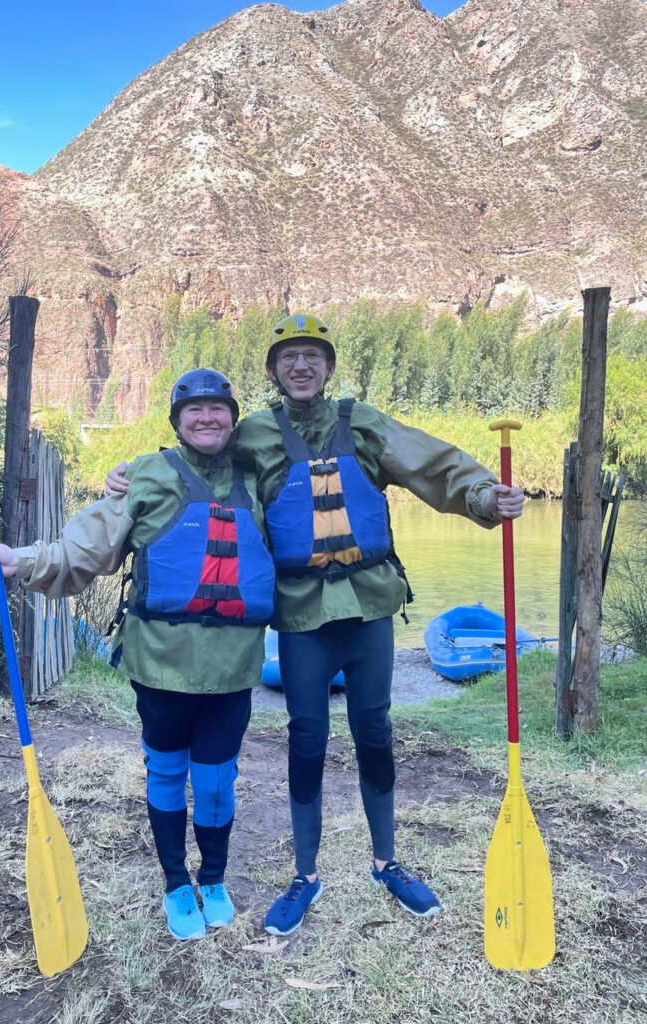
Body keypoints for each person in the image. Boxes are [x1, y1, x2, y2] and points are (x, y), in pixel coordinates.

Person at [105, 313, 525, 936]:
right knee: (306, 738)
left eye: (312, 356)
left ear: (328, 366)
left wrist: (486, 498)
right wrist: (126, 474)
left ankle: (387, 862)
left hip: (371, 609)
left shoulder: (365, 424)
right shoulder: (253, 434)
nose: (300, 367)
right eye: (288, 358)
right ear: (273, 372)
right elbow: (194, 450)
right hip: (301, 615)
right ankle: (305, 875)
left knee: (375, 732)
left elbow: (435, 466)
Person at [0, 369, 275, 942]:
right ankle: (174, 882)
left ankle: (212, 878)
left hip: (233, 664)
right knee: (167, 771)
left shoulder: (259, 480)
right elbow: (83, 545)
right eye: (195, 410)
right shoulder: (147, 475)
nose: (207, 418)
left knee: (216, 781)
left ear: (234, 418)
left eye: (218, 409)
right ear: (177, 421)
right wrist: (24, 561)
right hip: (160, 661)